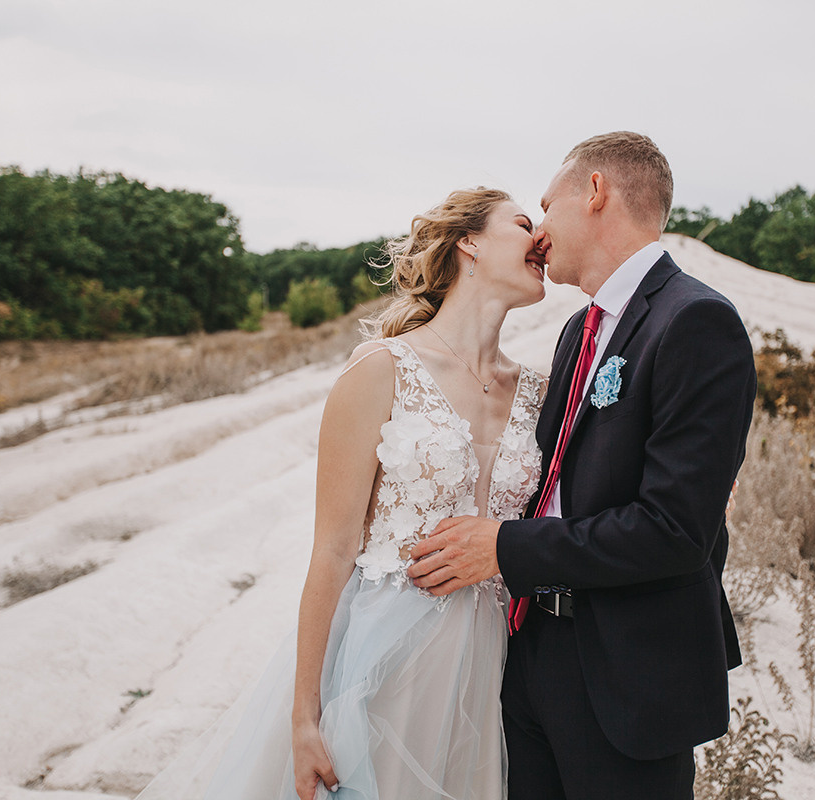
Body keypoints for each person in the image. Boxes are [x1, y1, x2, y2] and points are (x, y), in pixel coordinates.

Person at [133, 187, 549, 800]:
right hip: (383, 660)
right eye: (523, 224)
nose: (541, 240)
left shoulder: (539, 392)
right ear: (470, 242)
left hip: (495, 673)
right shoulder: (382, 368)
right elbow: (331, 550)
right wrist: (303, 716)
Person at [409, 132, 758, 799]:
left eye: (545, 207)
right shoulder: (579, 331)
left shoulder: (696, 321)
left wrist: (504, 547)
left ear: (595, 192)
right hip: (531, 652)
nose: (539, 233)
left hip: (627, 673)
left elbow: (674, 531)